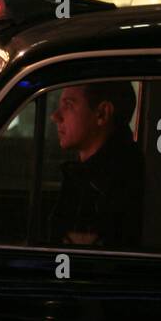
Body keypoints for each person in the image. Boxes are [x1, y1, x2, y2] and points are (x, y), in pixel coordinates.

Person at [46, 82, 144, 249]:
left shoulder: (113, 185)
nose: (55, 116)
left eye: (68, 105)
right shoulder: (87, 175)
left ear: (102, 114)